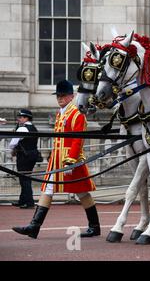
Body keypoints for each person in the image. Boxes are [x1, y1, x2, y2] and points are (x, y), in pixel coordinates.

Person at [12, 80, 100, 239]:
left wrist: (71, 160)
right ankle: (34, 226)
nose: (60, 98)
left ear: (71, 96)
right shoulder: (61, 113)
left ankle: (94, 226)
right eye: (58, 95)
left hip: (69, 159)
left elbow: (77, 140)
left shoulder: (76, 114)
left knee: (81, 192)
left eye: (63, 95)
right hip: (57, 158)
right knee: (48, 189)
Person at [9, 109, 39, 209]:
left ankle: (29, 202)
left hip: (23, 156)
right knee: (26, 177)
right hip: (33, 155)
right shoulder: (33, 127)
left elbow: (12, 143)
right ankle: (22, 200)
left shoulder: (22, 129)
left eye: (21, 117)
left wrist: (13, 150)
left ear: (26, 118)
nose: (19, 119)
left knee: (24, 179)